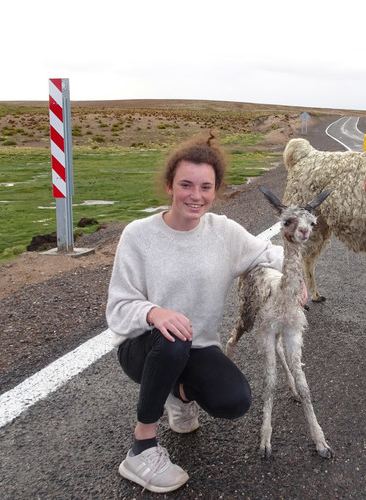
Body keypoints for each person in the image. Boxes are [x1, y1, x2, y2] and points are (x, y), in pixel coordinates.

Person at [106, 134, 287, 493]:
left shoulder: (223, 233)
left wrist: (294, 281)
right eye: (186, 184)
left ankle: (179, 392)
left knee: (235, 400)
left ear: (216, 189)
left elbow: (270, 254)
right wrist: (154, 312)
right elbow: (118, 308)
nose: (195, 195)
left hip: (197, 346)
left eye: (206, 187)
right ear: (170, 185)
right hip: (143, 348)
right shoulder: (138, 235)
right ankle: (141, 448)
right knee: (174, 338)